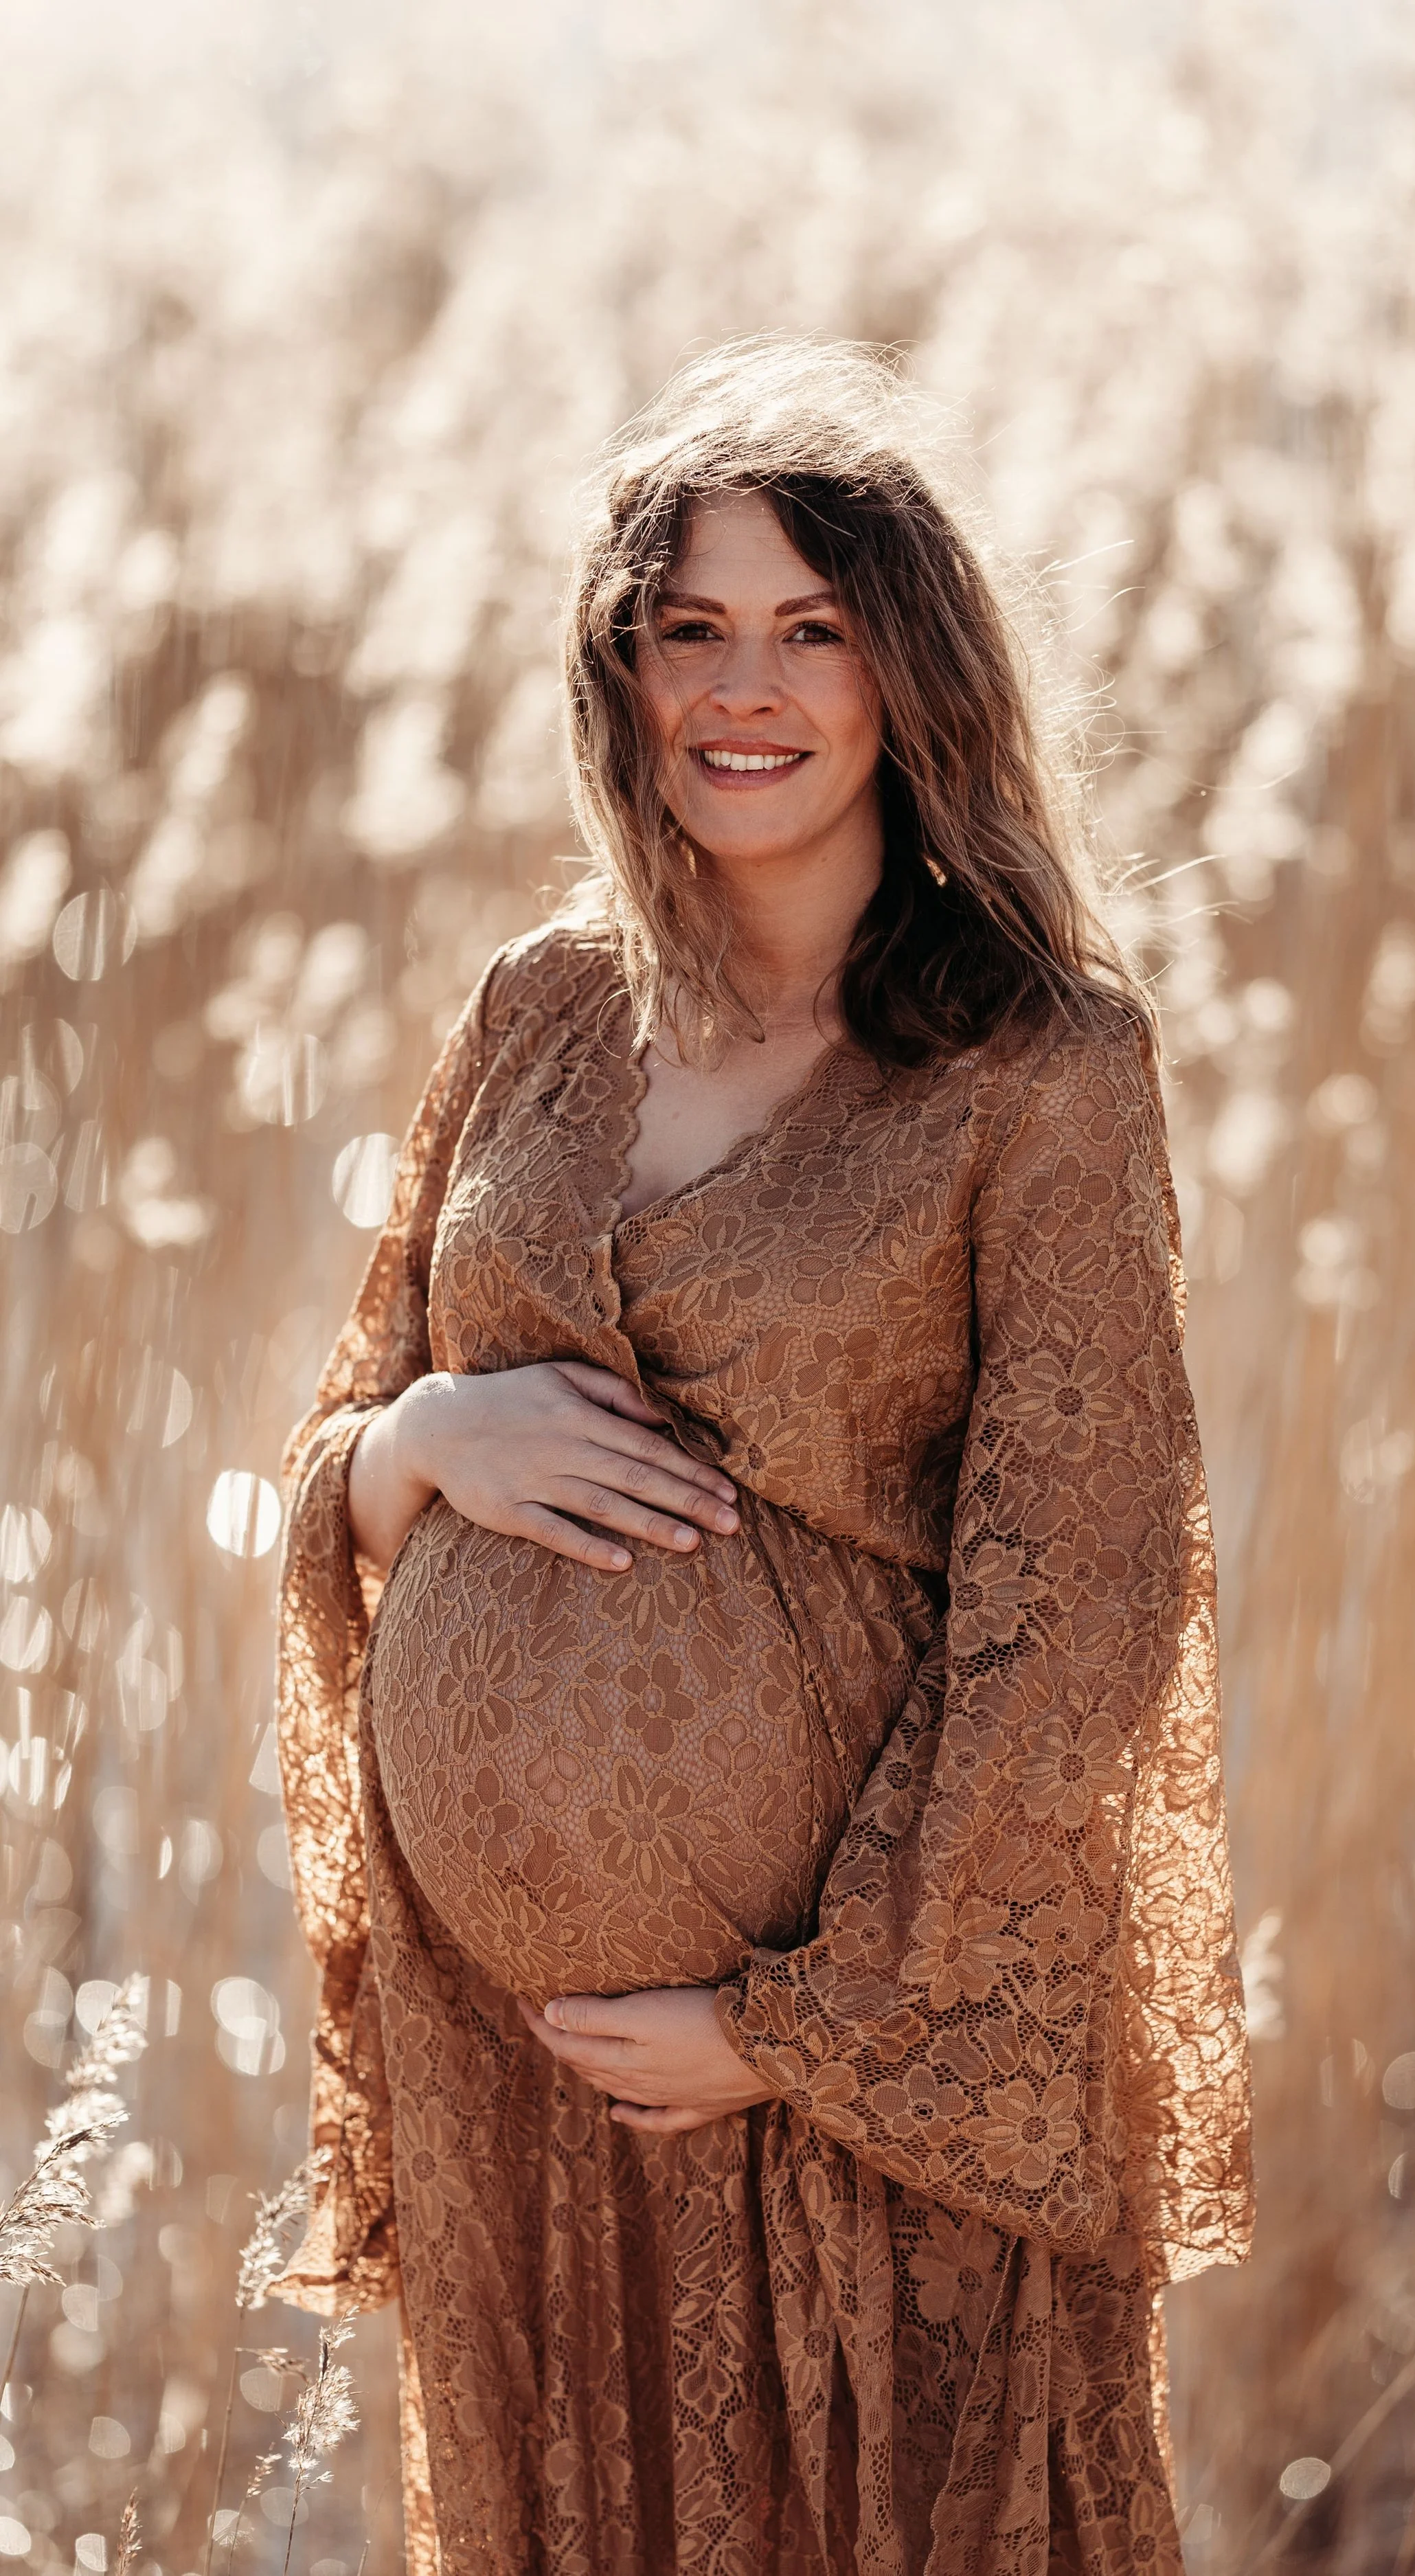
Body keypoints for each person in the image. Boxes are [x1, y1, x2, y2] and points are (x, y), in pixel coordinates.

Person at [273, 339, 1252, 2575]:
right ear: (615, 677)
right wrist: (419, 1437)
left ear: (908, 674)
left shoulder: (1040, 1063)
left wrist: (798, 2027)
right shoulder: (535, 1005)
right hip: (527, 2067)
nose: (745, 686)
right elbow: (332, 1454)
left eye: (809, 628)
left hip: (840, 2062)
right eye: (685, 628)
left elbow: (1078, 1600)